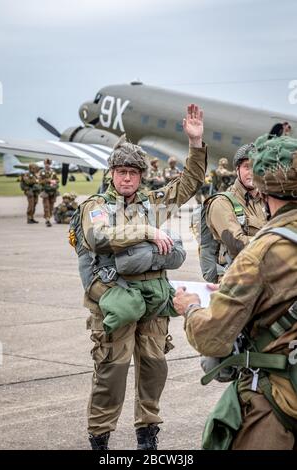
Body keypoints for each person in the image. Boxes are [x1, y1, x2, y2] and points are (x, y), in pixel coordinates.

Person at [76, 104, 207, 450]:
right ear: (112, 173)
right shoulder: (96, 206)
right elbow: (98, 237)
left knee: (153, 370)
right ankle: (100, 438)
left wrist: (195, 144)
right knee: (111, 373)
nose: (127, 178)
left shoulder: (152, 202)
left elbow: (188, 184)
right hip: (116, 301)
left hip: (152, 302)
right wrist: (146, 231)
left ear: (141, 176)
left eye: (133, 173)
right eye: (121, 172)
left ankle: (147, 435)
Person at [173, 133, 297, 450]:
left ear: (263, 185)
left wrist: (190, 308)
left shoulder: (262, 251)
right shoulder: (224, 204)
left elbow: (210, 336)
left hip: (279, 401)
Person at [200, 143, 267, 282]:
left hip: (264, 276)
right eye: (247, 167)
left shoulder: (266, 200)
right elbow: (237, 244)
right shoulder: (222, 203)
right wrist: (278, 245)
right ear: (237, 170)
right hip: (236, 281)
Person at [38, 158, 60, 227]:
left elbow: (57, 180)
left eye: (48, 164)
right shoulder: (42, 172)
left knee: (51, 206)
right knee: (46, 206)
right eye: (46, 164)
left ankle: (49, 217)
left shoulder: (53, 172)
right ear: (44, 164)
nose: (47, 165)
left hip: (53, 191)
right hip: (45, 191)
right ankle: (47, 219)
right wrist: (48, 180)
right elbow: (39, 181)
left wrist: (55, 181)